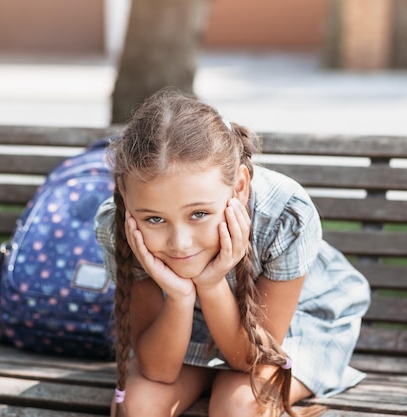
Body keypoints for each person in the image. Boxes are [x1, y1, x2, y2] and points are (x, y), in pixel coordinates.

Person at [94, 88, 371, 417]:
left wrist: (211, 285)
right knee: (137, 407)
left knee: (236, 406)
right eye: (155, 218)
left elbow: (251, 359)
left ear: (239, 186)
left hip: (293, 325)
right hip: (186, 323)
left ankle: (214, 377)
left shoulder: (286, 214)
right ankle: (207, 371)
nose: (180, 243)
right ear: (125, 192)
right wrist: (181, 296)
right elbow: (159, 371)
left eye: (198, 214)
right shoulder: (121, 227)